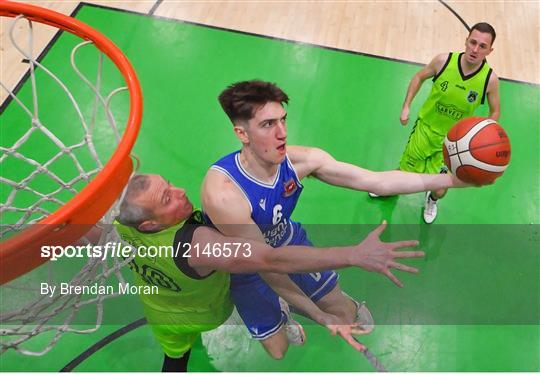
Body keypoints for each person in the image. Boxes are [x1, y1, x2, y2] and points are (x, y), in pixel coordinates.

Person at [201, 80, 474, 360]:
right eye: (268, 125)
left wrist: (452, 180)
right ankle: (279, 308)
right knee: (278, 350)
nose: (282, 133)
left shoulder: (301, 160)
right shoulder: (224, 194)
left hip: (284, 239)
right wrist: (319, 316)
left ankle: (292, 302)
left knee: (344, 312)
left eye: (283, 120)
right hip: (246, 262)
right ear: (242, 134)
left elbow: (377, 181)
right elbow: (267, 263)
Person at [114, 173, 425, 371]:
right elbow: (272, 262)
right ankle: (282, 305)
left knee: (175, 360)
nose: (180, 191)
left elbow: (73, 234)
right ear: (149, 225)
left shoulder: (114, 228)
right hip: (191, 316)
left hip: (163, 318)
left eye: (170, 183)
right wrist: (353, 254)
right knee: (275, 335)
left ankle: (308, 305)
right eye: (167, 197)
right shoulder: (199, 245)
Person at [396, 22, 500, 223]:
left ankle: (432, 199)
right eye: (473, 42)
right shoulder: (444, 61)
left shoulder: (490, 80)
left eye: (482, 46)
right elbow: (419, 77)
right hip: (425, 129)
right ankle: (388, 189)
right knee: (403, 172)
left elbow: (495, 112)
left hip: (453, 143)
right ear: (466, 40)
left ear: (490, 50)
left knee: (441, 189)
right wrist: (406, 105)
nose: (475, 50)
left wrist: (479, 135)